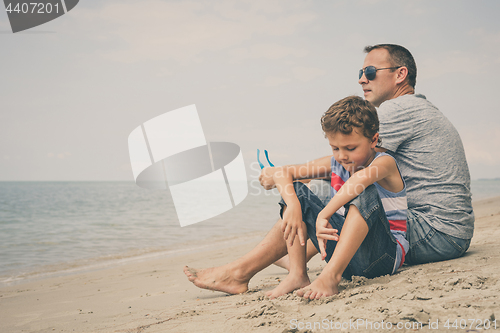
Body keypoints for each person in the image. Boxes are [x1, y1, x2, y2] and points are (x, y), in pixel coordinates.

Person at [265, 96, 408, 299]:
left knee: (364, 190)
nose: (342, 156)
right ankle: (297, 274)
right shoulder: (337, 162)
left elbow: (360, 180)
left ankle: (330, 278)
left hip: (382, 257)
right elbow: (282, 173)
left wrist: (324, 213)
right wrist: (293, 205)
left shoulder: (385, 163)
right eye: (335, 148)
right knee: (297, 191)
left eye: (350, 148)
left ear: (373, 140)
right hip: (345, 258)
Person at [358, 44, 474, 264]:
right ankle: (292, 264)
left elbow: (352, 162)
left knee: (324, 194)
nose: (362, 79)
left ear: (401, 74)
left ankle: (297, 270)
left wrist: (291, 172)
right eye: (361, 73)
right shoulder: (419, 107)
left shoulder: (395, 110)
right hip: (455, 233)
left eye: (370, 72)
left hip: (434, 233)